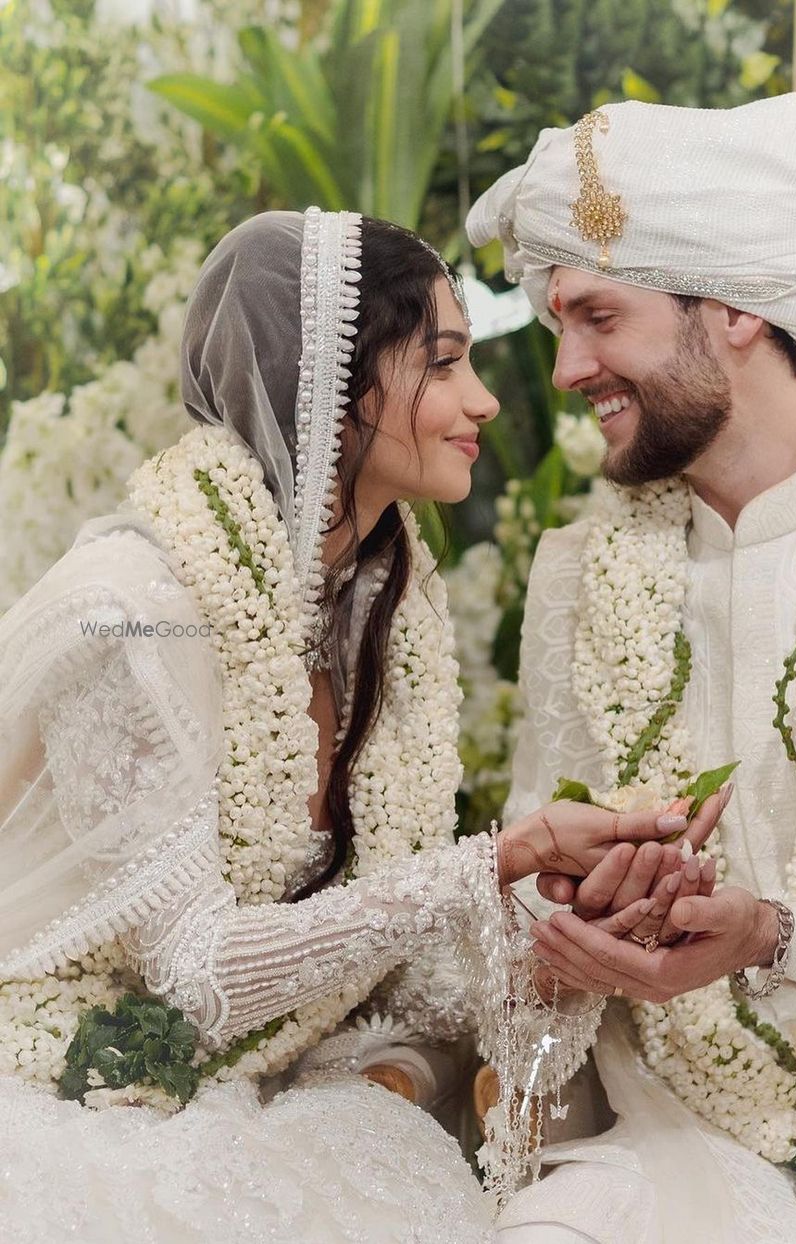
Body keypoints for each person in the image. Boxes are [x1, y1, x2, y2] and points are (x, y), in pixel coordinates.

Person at [0, 207, 722, 1242]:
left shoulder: (377, 601)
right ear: (333, 395)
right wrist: (491, 863)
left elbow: (392, 967)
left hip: (258, 1087)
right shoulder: (129, 610)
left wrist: (561, 928)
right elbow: (197, 978)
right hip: (66, 1083)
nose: (480, 401)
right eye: (442, 364)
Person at [468, 93, 796, 1243]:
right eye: (558, 323)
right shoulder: (578, 572)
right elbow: (528, 874)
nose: (565, 369)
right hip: (677, 1129)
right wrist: (576, 919)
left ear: (736, 312)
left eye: (598, 317)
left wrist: (776, 936)